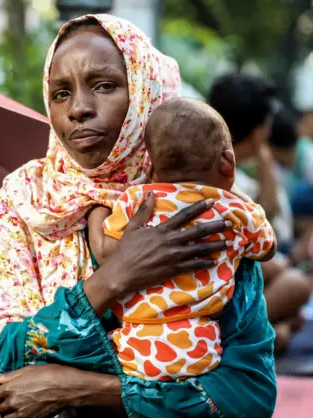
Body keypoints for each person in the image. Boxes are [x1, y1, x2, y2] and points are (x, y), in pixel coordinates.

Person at [0, 15, 277, 418]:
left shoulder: (201, 206)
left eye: (105, 85)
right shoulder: (24, 201)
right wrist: (112, 281)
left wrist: (74, 387)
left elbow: (249, 397)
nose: (78, 109)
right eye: (60, 93)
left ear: (146, 91)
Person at [87, 98, 276, 386]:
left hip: (134, 347)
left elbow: (107, 252)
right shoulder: (234, 212)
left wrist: (95, 210)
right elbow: (268, 247)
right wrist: (236, 193)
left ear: (153, 166)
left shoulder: (137, 200)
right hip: (198, 350)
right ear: (227, 163)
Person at [208, 73, 312, 351]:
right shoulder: (222, 176)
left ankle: (266, 334)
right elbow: (263, 242)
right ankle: (246, 339)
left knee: (290, 313)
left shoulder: (209, 163)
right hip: (213, 296)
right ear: (260, 130)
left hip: (215, 289)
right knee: (297, 284)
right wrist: (281, 265)